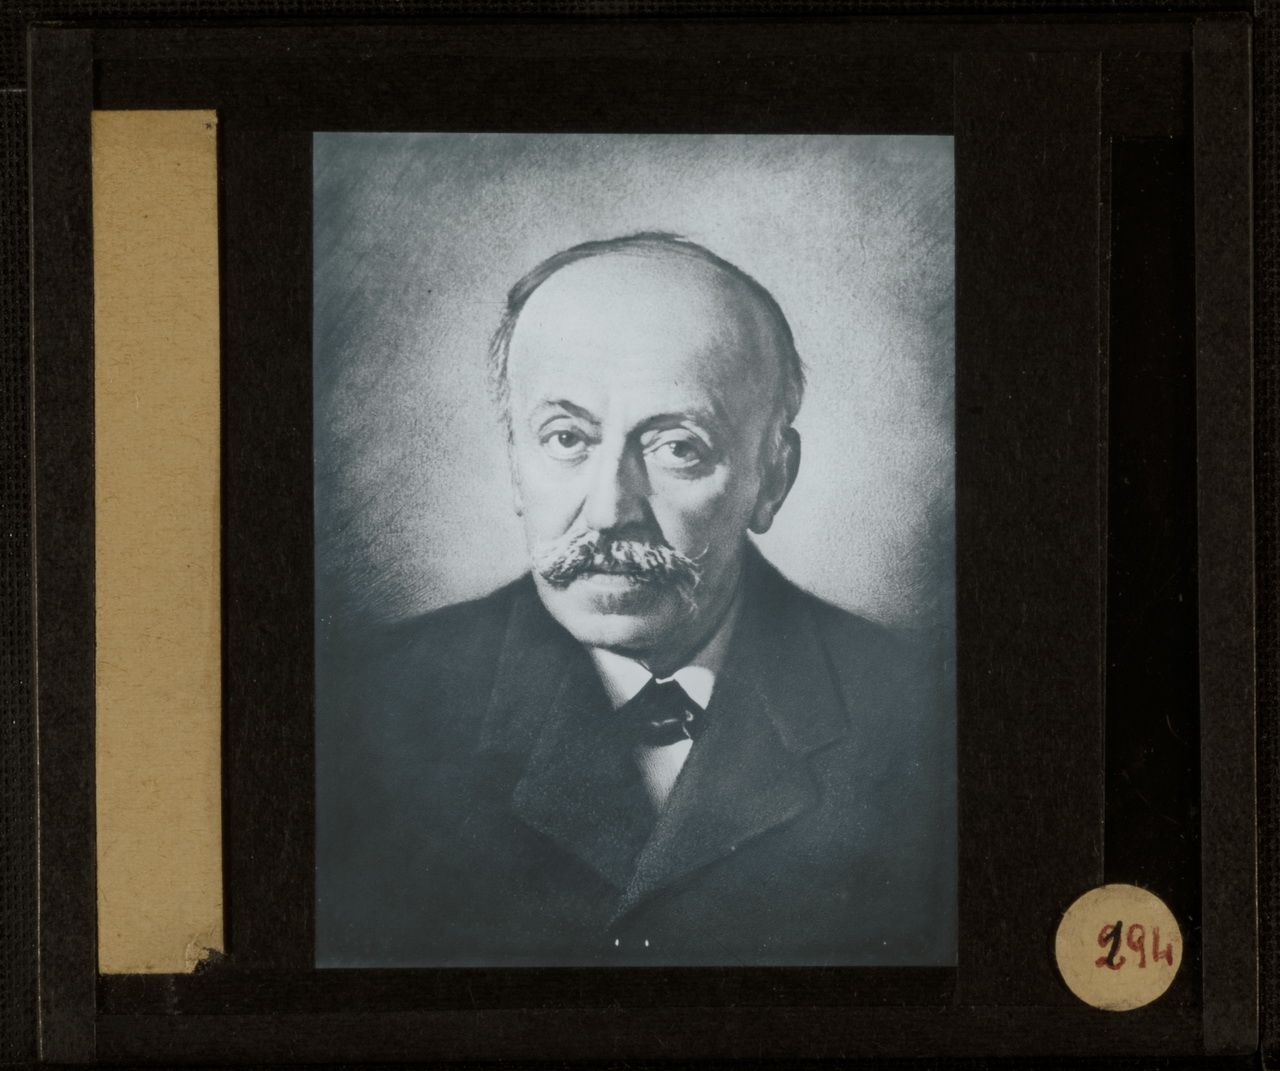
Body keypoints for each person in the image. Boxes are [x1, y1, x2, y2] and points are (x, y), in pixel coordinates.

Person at [317, 232, 955, 967]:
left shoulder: (927, 719)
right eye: (565, 438)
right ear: (514, 463)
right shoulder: (359, 711)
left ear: (772, 477)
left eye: (678, 446)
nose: (611, 508)